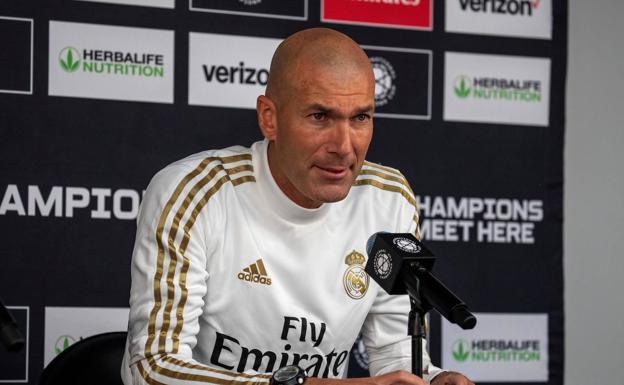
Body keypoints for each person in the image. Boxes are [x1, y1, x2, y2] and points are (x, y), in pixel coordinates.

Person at [121, 28, 473, 385]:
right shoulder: (194, 193)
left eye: (360, 118)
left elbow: (395, 355)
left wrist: (432, 379)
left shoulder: (388, 198)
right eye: (320, 116)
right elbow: (153, 369)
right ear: (269, 118)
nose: (344, 146)